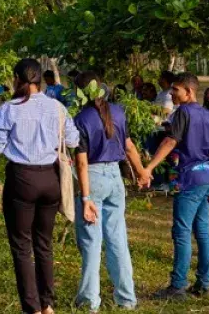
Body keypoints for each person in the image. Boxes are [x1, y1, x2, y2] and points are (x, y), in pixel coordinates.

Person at [0, 58, 81, 314]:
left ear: (17, 78)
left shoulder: (10, 108)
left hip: (22, 179)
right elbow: (73, 139)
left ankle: (32, 307)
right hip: (50, 179)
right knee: (44, 244)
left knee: (22, 246)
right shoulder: (57, 107)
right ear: (38, 79)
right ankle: (47, 304)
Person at [143, 72, 209, 301]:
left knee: (181, 232)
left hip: (191, 181)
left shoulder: (184, 112)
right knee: (202, 232)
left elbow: (170, 141)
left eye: (176, 89)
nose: (171, 93)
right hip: (207, 179)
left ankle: (178, 286)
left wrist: (149, 167)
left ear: (189, 91)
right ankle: (203, 283)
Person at [68, 74, 147, 312]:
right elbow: (130, 146)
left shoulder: (80, 119)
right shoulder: (119, 112)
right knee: (117, 239)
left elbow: (81, 163)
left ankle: (90, 301)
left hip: (92, 177)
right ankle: (126, 298)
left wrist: (85, 197)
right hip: (115, 178)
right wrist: (142, 172)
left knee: (92, 242)